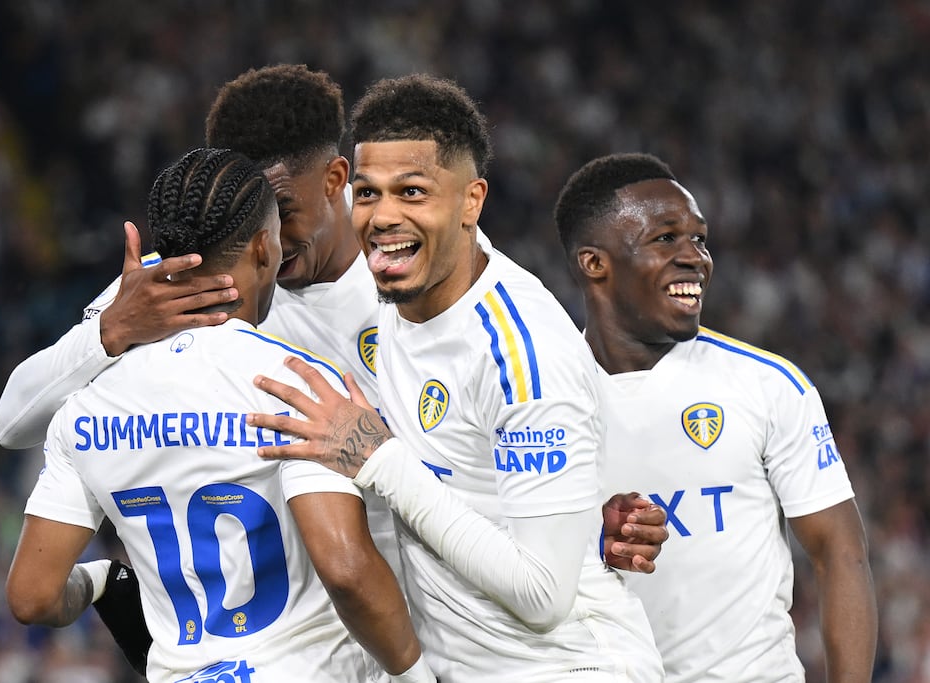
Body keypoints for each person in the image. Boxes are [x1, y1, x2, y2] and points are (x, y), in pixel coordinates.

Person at [0, 64, 665, 675]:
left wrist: (573, 513)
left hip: (484, 639)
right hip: (376, 645)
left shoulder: (421, 276)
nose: (272, 239)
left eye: (282, 212)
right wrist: (108, 333)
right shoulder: (186, 287)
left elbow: (505, 421)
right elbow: (12, 419)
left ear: (336, 181)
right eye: (253, 217)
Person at [246, 74, 664, 683]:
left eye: (412, 192)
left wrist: (376, 456)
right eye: (368, 194)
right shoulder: (409, 287)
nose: (384, 217)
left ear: (471, 201)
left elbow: (542, 597)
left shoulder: (521, 354)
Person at [5, 147, 435, 683]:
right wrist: (414, 674)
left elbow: (32, 595)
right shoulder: (296, 384)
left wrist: (98, 581)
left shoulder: (85, 408)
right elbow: (347, 570)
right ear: (262, 249)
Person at [552, 152, 878, 682]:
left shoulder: (767, 385)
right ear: (595, 263)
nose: (695, 258)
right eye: (666, 239)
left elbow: (841, 554)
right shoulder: (540, 396)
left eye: (699, 240)